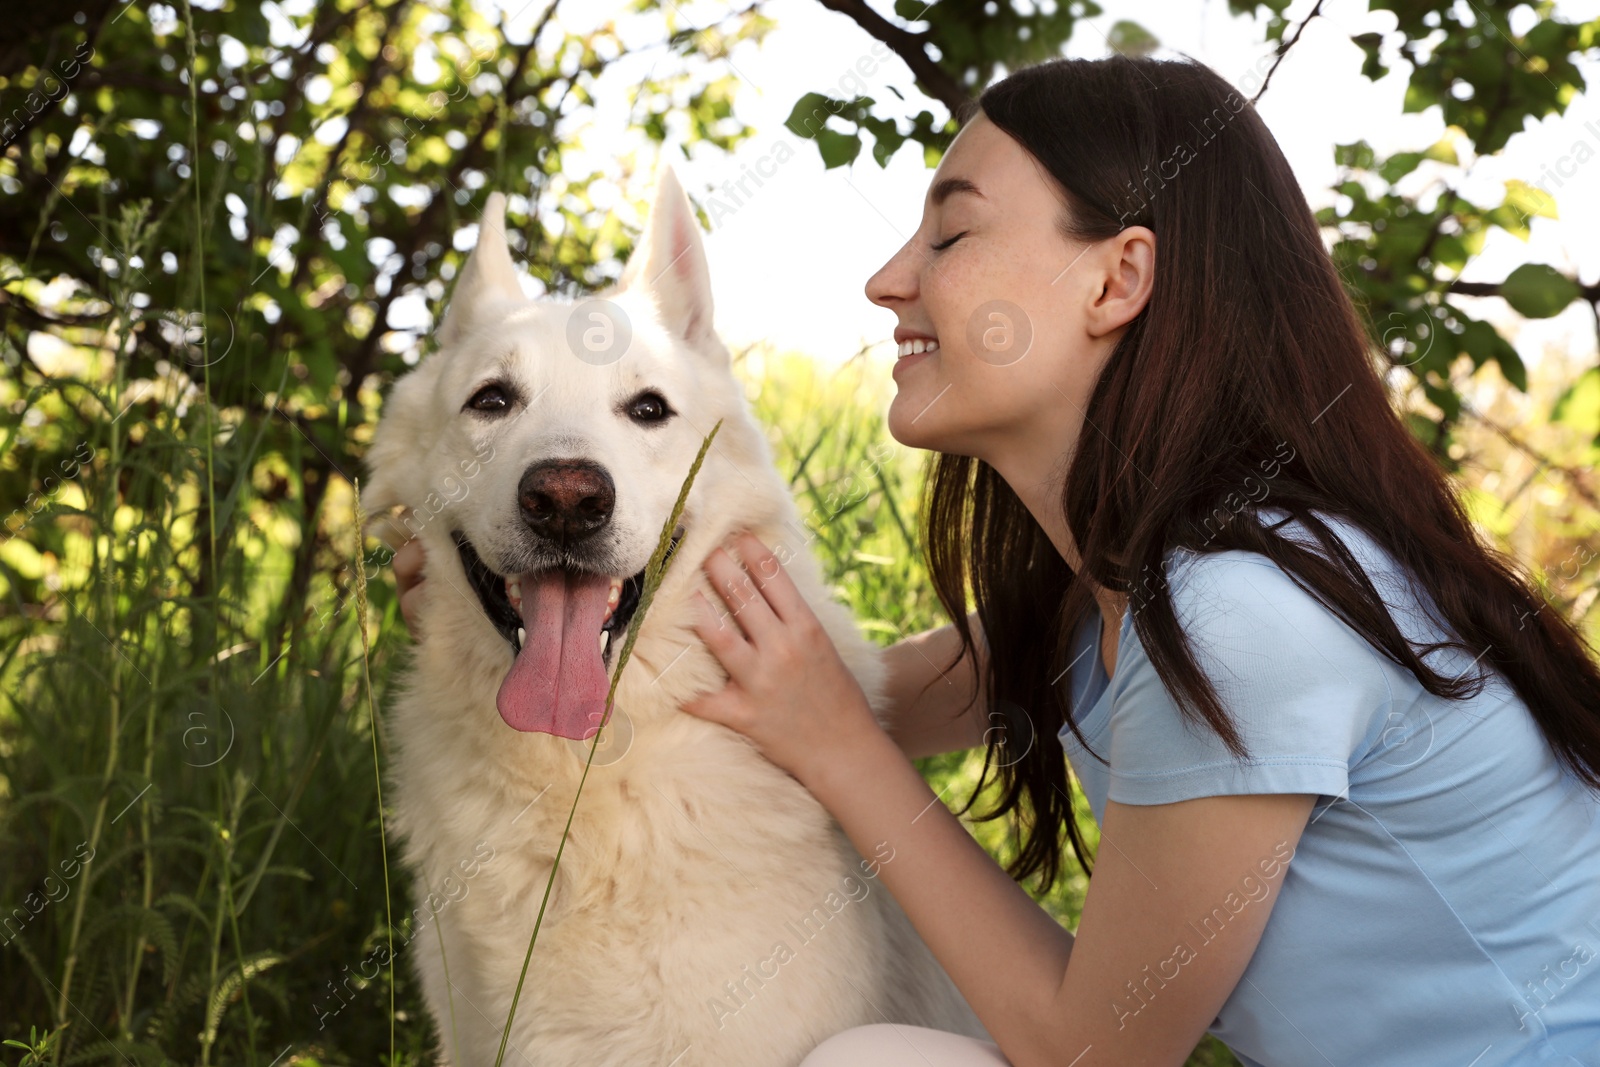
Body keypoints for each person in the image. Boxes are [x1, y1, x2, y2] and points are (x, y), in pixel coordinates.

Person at [388, 54, 1600, 1067]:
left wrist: (840, 747)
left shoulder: (1246, 609)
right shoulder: (1111, 597)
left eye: (951, 231)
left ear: (1118, 278)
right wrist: (524, 589)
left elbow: (1097, 1050)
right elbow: (835, 684)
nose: (885, 279)